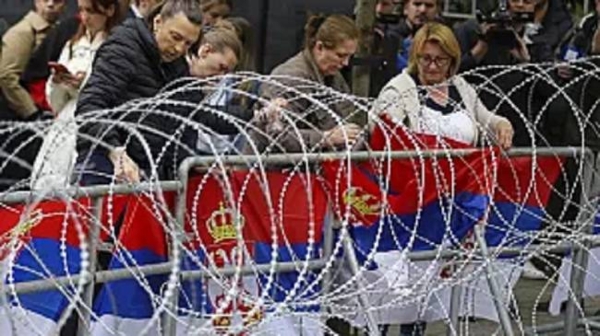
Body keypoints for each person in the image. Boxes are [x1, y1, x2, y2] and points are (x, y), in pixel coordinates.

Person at [374, 22, 514, 336]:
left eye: (440, 60)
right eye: (425, 58)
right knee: (395, 285)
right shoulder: (400, 89)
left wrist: (501, 124)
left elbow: (485, 117)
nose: (432, 66)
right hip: (409, 202)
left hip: (450, 202)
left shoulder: (462, 88)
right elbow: (383, 131)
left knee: (428, 284)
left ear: (452, 60)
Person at [74, 0, 203, 185]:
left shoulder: (177, 66)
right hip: (104, 163)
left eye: (188, 44)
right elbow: (90, 106)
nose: (179, 49)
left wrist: (250, 115)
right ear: (157, 22)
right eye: (175, 37)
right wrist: (115, 150)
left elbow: (191, 116)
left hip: (147, 170)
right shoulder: (124, 47)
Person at [30, 0, 120, 190]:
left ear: (109, 10)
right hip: (66, 119)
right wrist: (58, 83)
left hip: (95, 121)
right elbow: (55, 102)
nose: (85, 17)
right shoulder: (74, 43)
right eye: (81, 10)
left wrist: (84, 85)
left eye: (91, 11)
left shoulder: (116, 44)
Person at [245, 14, 362, 155]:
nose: (345, 63)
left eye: (349, 56)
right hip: (270, 170)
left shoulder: (334, 77)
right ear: (319, 47)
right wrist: (326, 137)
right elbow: (277, 136)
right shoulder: (290, 79)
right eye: (340, 55)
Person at [0, 0, 66, 120]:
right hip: (20, 114)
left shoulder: (59, 29)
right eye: (45, 0)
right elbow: (7, 76)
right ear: (36, 2)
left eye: (57, 0)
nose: (50, 4)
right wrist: (32, 112)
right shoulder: (23, 32)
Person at [370, 0, 443, 96]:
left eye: (429, 6)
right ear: (405, 8)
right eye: (417, 4)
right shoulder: (387, 36)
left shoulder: (443, 40)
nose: (422, 10)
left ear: (437, 10)